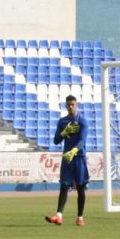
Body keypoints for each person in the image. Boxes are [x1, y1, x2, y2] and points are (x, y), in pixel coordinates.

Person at [45, 94, 89, 226]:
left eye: (73, 105)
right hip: (67, 158)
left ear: (76, 105)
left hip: (79, 157)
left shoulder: (83, 121)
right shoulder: (62, 121)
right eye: (68, 105)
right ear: (65, 106)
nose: (70, 107)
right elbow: (56, 140)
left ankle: (80, 217)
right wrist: (64, 133)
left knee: (80, 187)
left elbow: (83, 139)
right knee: (64, 186)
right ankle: (58, 216)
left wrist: (75, 150)